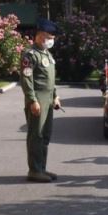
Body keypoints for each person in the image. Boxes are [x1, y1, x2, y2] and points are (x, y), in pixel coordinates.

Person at [20, 20, 62, 183]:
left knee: (45, 135)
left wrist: (55, 96)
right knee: (36, 135)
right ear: (39, 36)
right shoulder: (30, 54)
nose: (51, 40)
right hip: (37, 98)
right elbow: (26, 79)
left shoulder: (47, 54)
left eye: (52, 38)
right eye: (48, 37)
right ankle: (34, 170)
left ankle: (42, 168)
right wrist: (32, 100)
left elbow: (50, 79)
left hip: (48, 99)